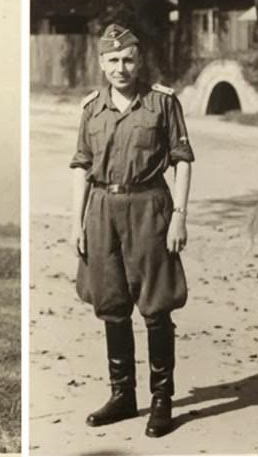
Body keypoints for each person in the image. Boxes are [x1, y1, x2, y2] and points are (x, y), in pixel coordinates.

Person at [69, 24, 194, 438]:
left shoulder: (161, 103)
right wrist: (77, 222)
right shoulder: (91, 108)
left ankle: (162, 399)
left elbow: (182, 160)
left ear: (139, 62)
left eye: (127, 60)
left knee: (156, 306)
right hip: (103, 209)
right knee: (112, 302)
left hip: (149, 206)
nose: (120, 68)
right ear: (101, 63)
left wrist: (179, 214)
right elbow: (82, 168)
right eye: (112, 60)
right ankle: (123, 396)